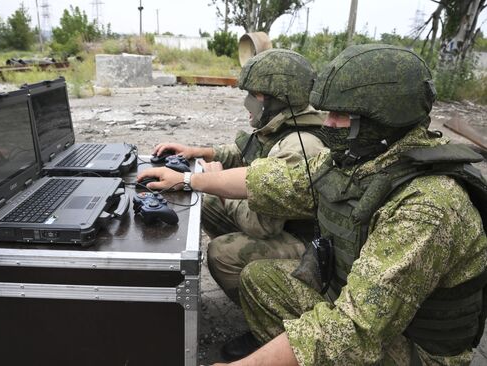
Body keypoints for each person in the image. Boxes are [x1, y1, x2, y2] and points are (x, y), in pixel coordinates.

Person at [139, 44, 487, 365]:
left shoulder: (428, 206)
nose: (328, 123)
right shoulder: (364, 158)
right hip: (363, 304)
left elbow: (354, 330)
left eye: (340, 116)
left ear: (383, 118)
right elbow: (267, 180)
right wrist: (188, 180)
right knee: (260, 279)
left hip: (414, 350)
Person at [152, 49, 325, 308]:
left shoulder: (300, 145)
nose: (248, 103)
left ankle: (267, 319)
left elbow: (261, 225)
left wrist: (216, 183)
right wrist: (199, 152)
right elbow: (248, 151)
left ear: (278, 98)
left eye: (255, 95)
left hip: (305, 242)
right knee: (207, 201)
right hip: (279, 222)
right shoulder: (286, 123)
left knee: (222, 253)